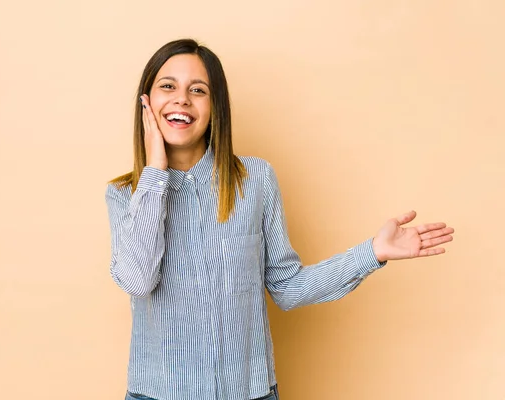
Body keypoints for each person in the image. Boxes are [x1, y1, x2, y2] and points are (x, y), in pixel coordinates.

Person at [105, 38, 454, 400]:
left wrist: (373, 252)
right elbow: (138, 280)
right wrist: (155, 173)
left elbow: (287, 288)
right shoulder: (123, 194)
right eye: (167, 86)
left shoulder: (256, 180)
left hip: (250, 392)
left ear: (215, 107)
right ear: (146, 102)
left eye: (198, 90)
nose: (182, 99)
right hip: (157, 394)